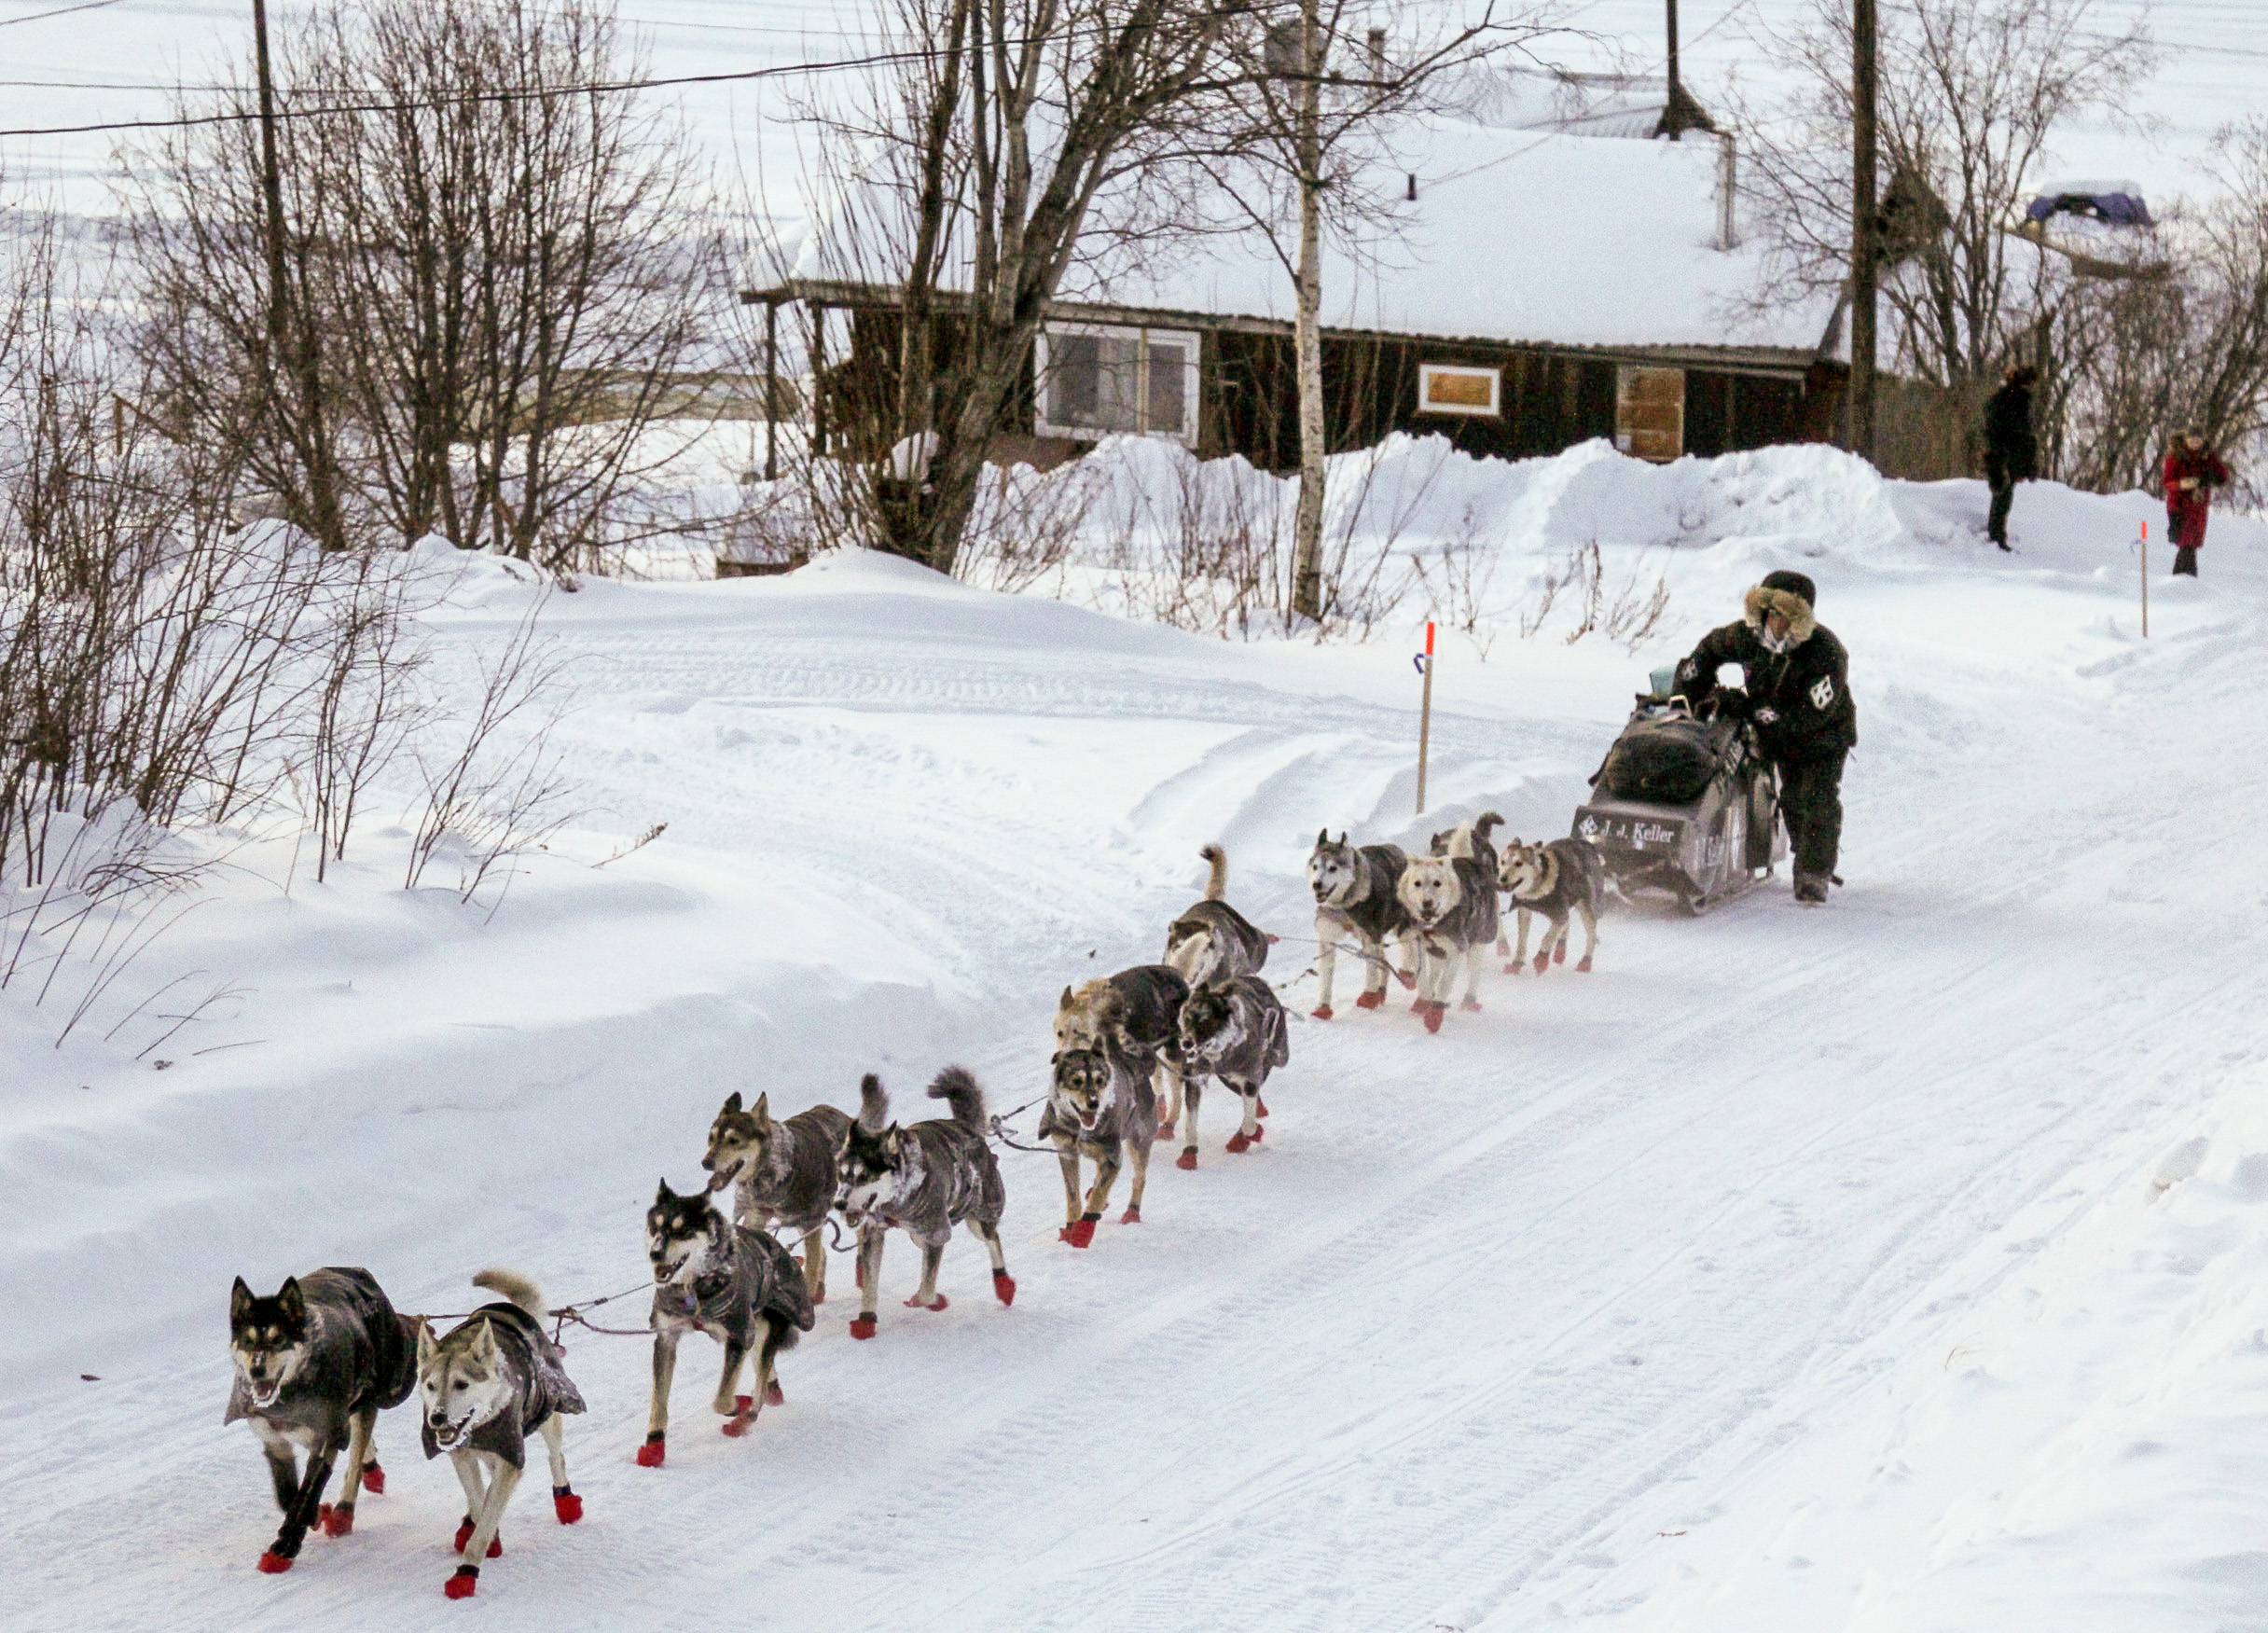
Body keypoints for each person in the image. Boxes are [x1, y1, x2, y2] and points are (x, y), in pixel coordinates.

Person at [1672, 570, 1857, 906]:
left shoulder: (1826, 652)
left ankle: (1813, 873)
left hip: (1822, 736)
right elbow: (1707, 652)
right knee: (1788, 799)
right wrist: (1687, 695)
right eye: (1770, 612)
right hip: (1772, 725)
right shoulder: (1746, 636)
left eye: (1784, 616)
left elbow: (1817, 711)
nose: (1775, 622)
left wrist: (1765, 715)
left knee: (1813, 796)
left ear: (1799, 620)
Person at [1981, 364, 2040, 551]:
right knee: (2002, 495)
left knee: (2004, 495)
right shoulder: (2010, 400)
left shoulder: (2013, 400)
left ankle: (1997, 534)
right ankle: (1996, 536)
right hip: (2003, 454)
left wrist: (2028, 463)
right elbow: (2015, 433)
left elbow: (2026, 435)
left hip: (2008, 454)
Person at [2163, 427, 2232, 577]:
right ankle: (2183, 580)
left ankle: (2185, 581)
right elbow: (2168, 482)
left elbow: (2222, 475)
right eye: (2192, 440)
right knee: (2185, 543)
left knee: (2192, 544)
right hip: (2179, 506)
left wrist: (2212, 477)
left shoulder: (2208, 456)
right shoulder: (2175, 456)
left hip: (2198, 506)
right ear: (2185, 440)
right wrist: (2182, 484)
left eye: (2198, 440)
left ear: (2203, 440)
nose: (2195, 443)